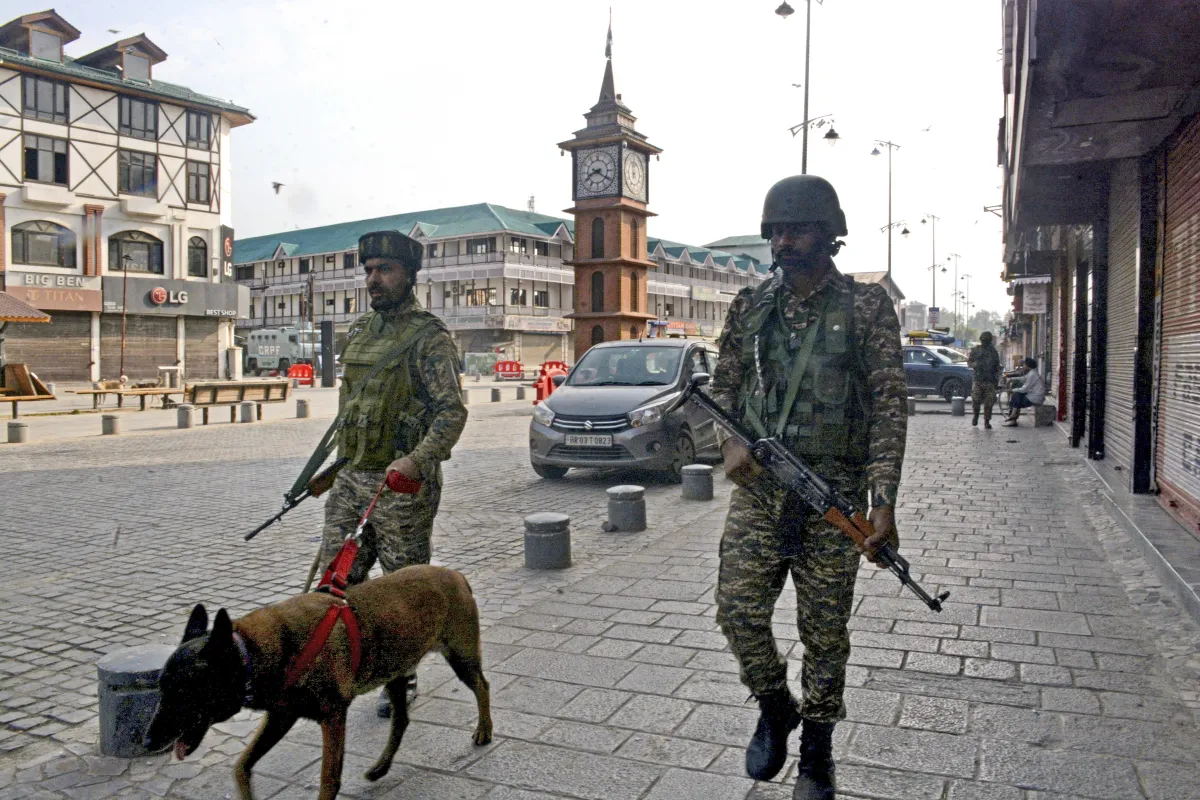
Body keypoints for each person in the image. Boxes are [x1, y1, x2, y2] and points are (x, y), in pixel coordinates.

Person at [711, 175, 908, 800]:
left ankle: (817, 751)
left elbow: (887, 404)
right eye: (776, 230)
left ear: (828, 233)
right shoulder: (750, 305)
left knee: (825, 631)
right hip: (764, 492)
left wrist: (883, 500)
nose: (783, 239)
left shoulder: (866, 307)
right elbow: (723, 389)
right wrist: (730, 443)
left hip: (836, 494)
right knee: (737, 610)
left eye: (796, 228)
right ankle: (775, 706)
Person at [317, 230, 467, 717]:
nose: (373, 279)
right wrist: (336, 464)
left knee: (403, 587)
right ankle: (339, 665)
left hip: (401, 485)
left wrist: (416, 462)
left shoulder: (429, 337)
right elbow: (354, 408)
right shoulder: (361, 331)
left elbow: (451, 412)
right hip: (353, 477)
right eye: (368, 270)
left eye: (385, 270)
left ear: (410, 276)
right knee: (336, 580)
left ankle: (401, 678)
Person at [967, 331, 1002, 429]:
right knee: (976, 401)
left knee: (989, 403)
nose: (985, 341)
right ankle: (975, 417)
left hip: (990, 380)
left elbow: (997, 366)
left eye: (987, 339)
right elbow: (969, 363)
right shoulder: (976, 350)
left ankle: (987, 421)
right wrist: (976, 365)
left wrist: (996, 379)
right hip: (978, 380)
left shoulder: (993, 352)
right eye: (983, 339)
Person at [1003, 357, 1046, 426]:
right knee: (1016, 397)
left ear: (1028, 366)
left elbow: (1024, 389)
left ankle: (1013, 417)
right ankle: (1013, 416)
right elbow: (1023, 378)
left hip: (1036, 398)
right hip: (1033, 396)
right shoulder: (1032, 373)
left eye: (1024, 365)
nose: (1023, 366)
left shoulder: (1032, 374)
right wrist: (1012, 379)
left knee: (1016, 396)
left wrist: (1012, 390)